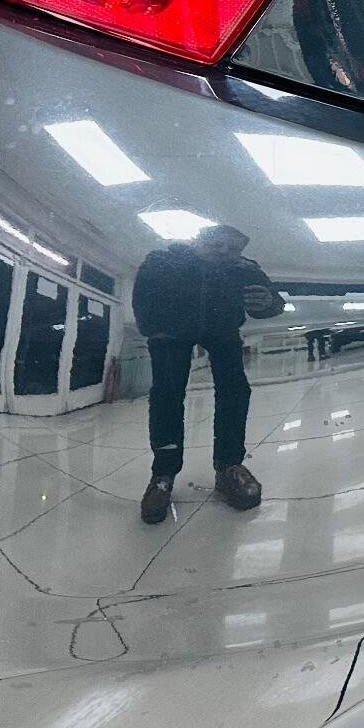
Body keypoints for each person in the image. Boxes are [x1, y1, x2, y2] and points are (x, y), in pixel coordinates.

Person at [130, 224, 284, 524]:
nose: (225, 251)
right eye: (218, 243)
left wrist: (269, 302)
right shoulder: (163, 260)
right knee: (166, 395)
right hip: (171, 332)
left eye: (233, 248)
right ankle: (163, 474)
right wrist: (152, 328)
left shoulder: (243, 268)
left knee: (235, 391)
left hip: (223, 330)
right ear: (198, 239)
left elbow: (273, 301)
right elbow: (142, 293)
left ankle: (229, 466)